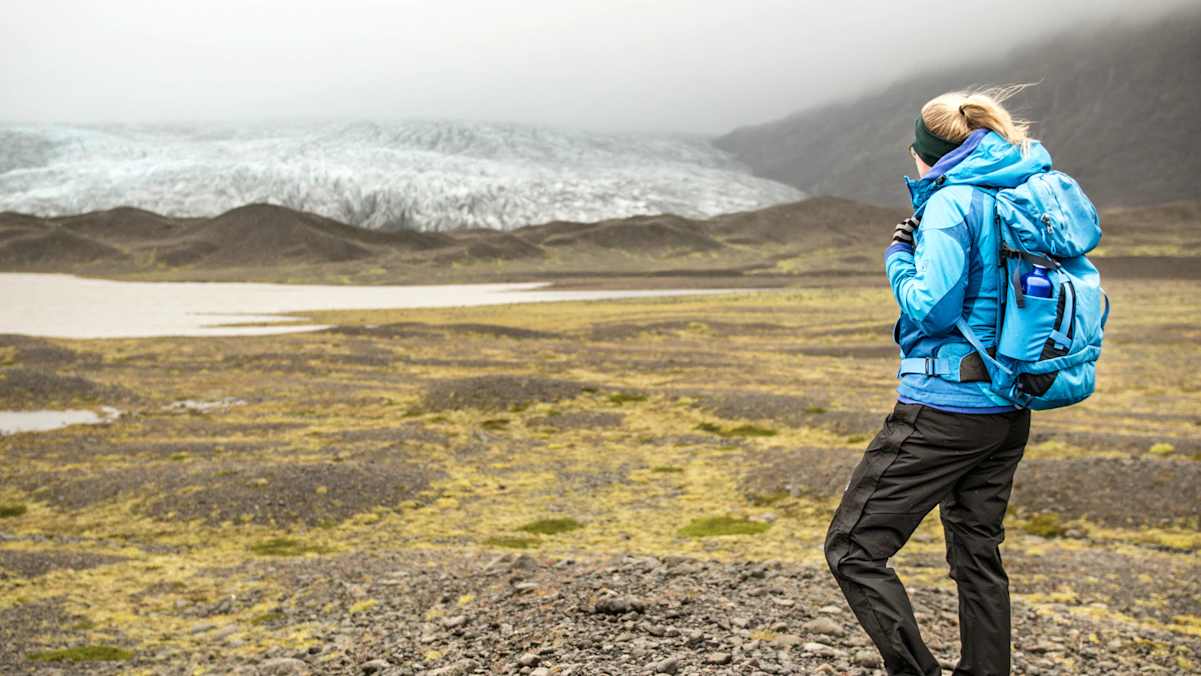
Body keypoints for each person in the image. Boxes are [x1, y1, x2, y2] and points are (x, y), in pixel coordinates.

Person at [824, 86, 1054, 676]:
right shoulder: (1021, 189)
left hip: (946, 406)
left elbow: (933, 307)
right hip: (1007, 405)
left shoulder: (954, 203)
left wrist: (898, 257)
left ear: (925, 152)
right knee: (978, 553)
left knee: (853, 549)